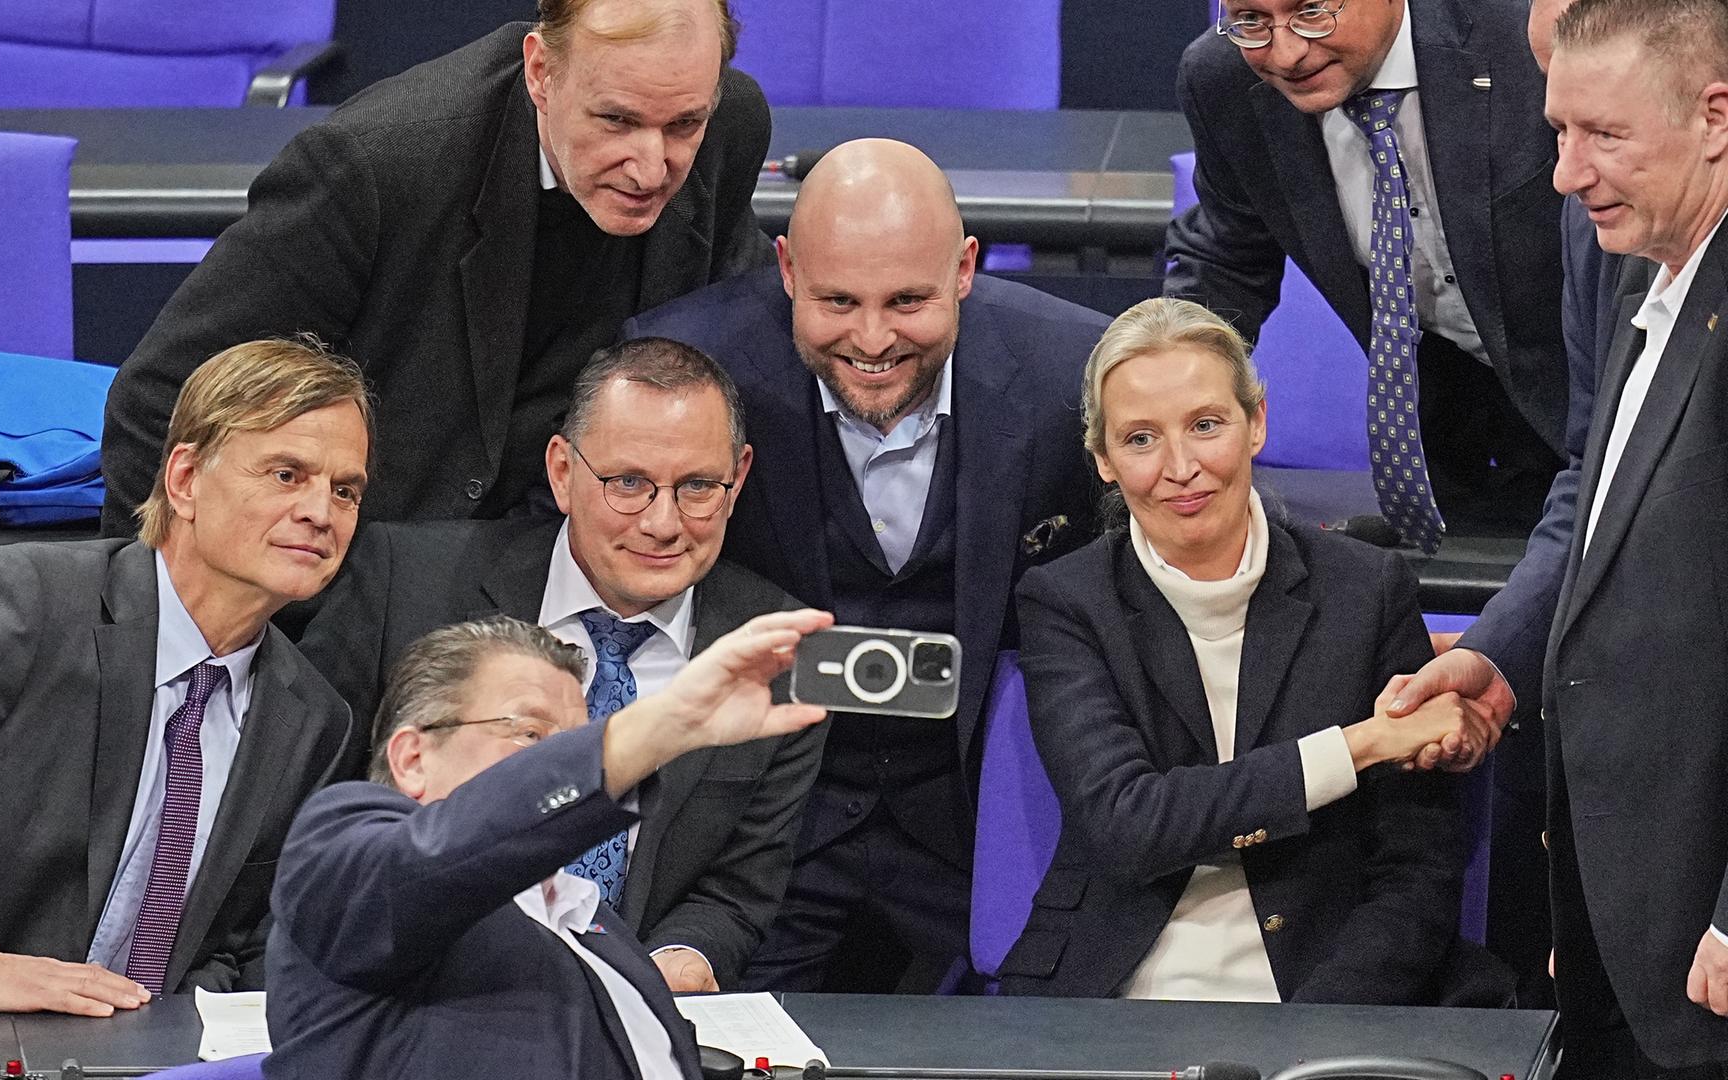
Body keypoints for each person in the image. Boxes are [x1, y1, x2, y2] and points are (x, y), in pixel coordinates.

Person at [627, 138, 1112, 992]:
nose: (874, 338)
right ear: (785, 267)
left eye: (909, 300)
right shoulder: (684, 374)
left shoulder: (1074, 377)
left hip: (986, 823)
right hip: (764, 832)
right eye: (838, 301)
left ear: (966, 268)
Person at [0, 339, 367, 1012]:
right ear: (186, 480)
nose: (320, 512)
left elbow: (235, 937)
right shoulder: (38, 601)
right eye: (286, 474)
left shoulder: (313, 715)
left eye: (345, 490)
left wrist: (177, 1026)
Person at [100, 0, 773, 533]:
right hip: (387, 564)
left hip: (589, 546)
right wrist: (158, 638)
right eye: (617, 120)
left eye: (683, 125)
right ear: (540, 72)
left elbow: (731, 353)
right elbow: (160, 399)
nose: (652, 167)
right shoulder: (378, 167)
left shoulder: (731, 127)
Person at [997, 298, 1495, 1004]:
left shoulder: (1366, 586)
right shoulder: (1066, 601)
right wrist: (1359, 745)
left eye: (1205, 426)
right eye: (1140, 439)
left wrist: (1319, 1028)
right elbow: (1129, 823)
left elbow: (1417, 867)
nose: (1180, 467)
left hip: (1322, 984)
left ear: (1256, 422)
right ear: (1103, 461)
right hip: (1107, 986)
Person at [298, 337, 823, 991]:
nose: (664, 523)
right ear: (562, 473)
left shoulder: (773, 650)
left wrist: (674, 964)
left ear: (738, 477)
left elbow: (737, 891)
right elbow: (304, 812)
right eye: (629, 483)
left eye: (696, 487)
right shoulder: (405, 583)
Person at [1456, 1, 1728, 1072]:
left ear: (1717, 115)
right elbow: (1594, 494)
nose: (1567, 176)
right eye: (1557, 132)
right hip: (1622, 907)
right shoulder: (1634, 267)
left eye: (1604, 136)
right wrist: (1501, 656)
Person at [265, 611, 831, 1080]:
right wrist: (666, 722)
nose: (560, 761)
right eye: (529, 734)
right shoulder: (340, 848)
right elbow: (437, 859)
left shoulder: (592, 920)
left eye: (575, 740)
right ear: (414, 757)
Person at [1166, 0, 1567, 547]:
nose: (1284, 53)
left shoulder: (1530, 34)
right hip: (1445, 450)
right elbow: (1228, 258)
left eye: (1311, 11)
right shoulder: (1223, 79)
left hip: (1604, 410)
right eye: (1251, 20)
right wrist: (1167, 385)